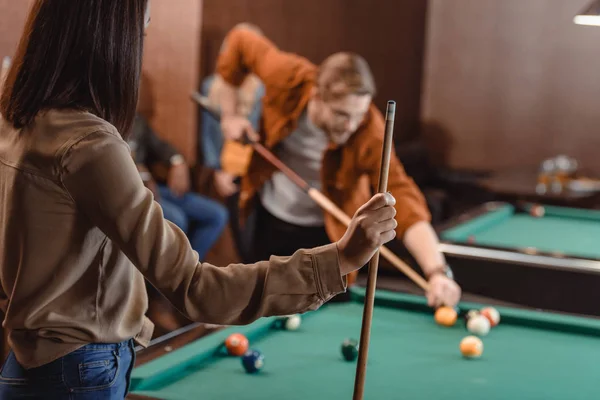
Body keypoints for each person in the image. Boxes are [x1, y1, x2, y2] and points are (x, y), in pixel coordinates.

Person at [0, 1, 398, 398]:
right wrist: (340, 259)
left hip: (26, 364)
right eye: (140, 33)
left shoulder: (14, 121)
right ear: (108, 40)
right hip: (80, 372)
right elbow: (196, 287)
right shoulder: (91, 145)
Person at [215, 25, 462, 309]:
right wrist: (230, 115)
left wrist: (436, 272)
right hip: (270, 219)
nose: (351, 126)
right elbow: (240, 41)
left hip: (331, 238)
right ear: (317, 97)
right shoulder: (289, 77)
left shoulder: (369, 131)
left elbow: (402, 197)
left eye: (358, 115)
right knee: (259, 307)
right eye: (342, 115)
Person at [130, 113, 228, 261]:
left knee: (217, 215)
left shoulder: (136, 121)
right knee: (178, 219)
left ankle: (189, 269)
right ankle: (168, 278)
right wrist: (143, 177)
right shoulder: (104, 127)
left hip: (156, 188)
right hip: (135, 194)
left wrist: (177, 162)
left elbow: (160, 146)